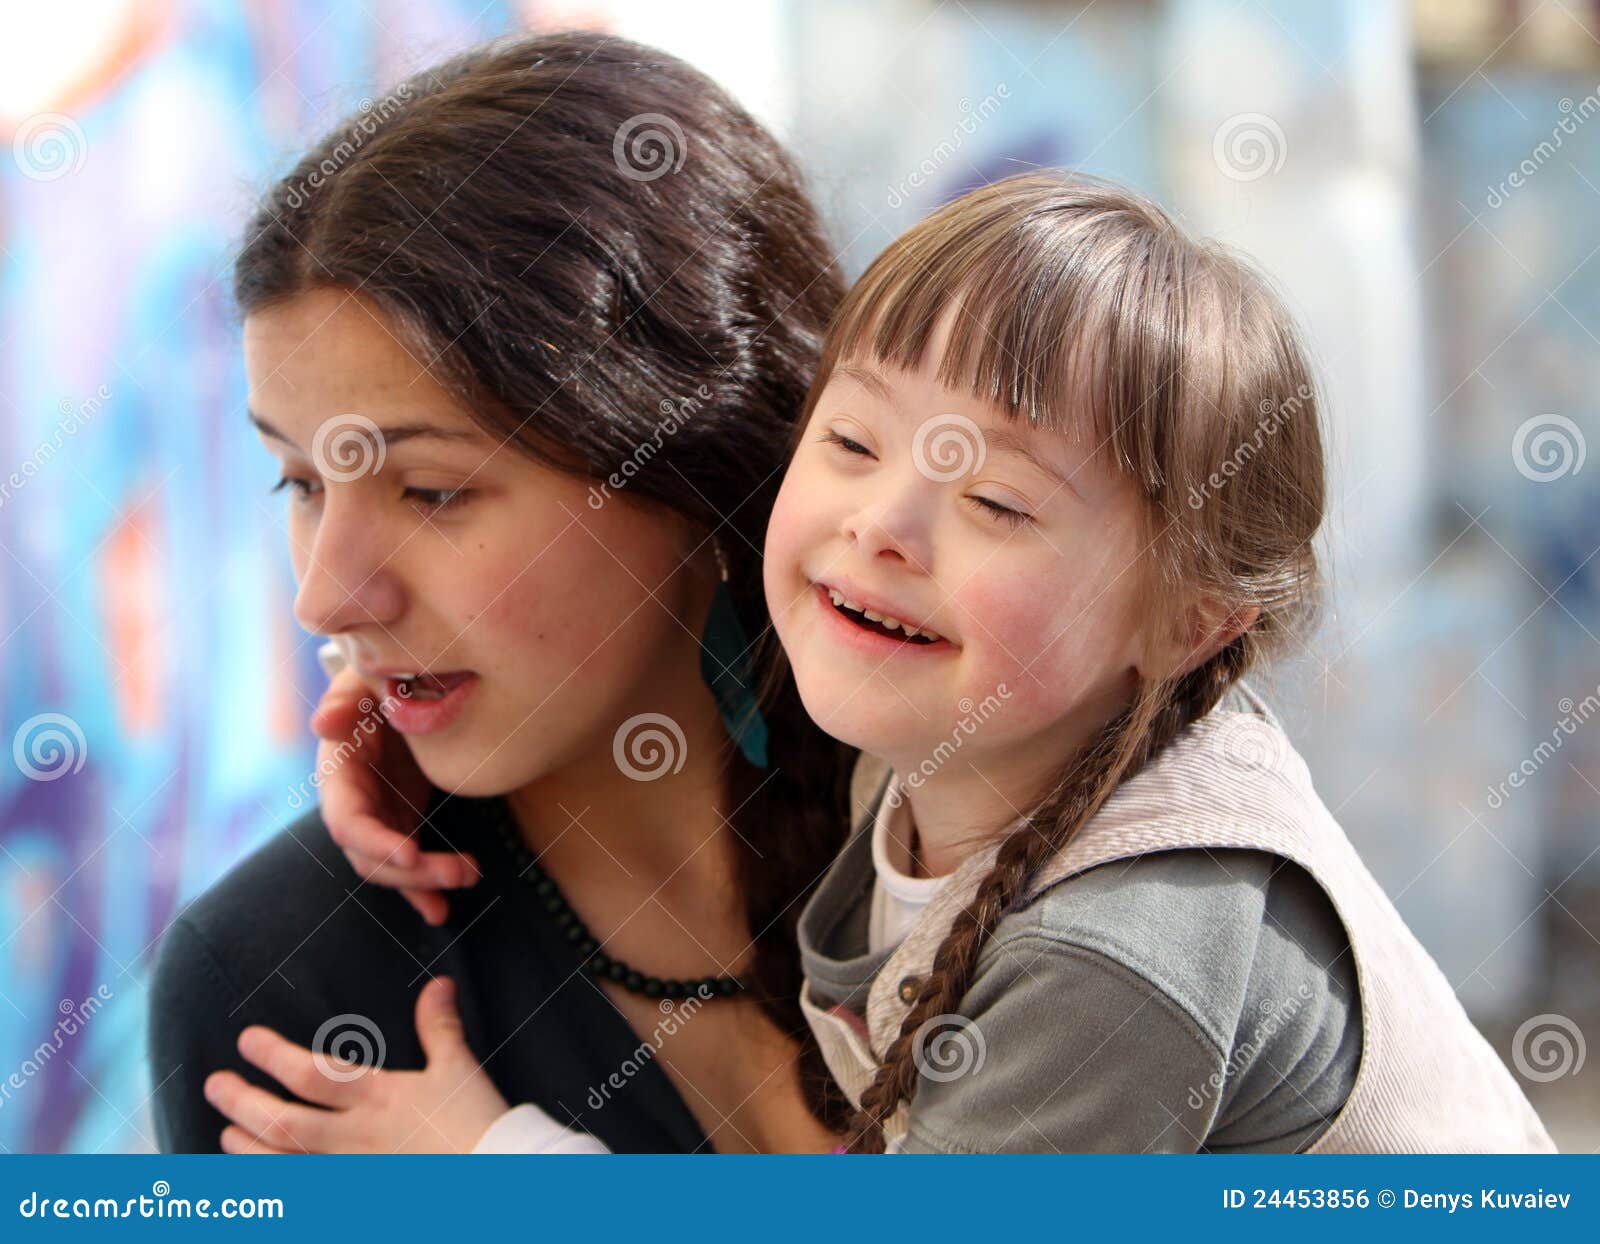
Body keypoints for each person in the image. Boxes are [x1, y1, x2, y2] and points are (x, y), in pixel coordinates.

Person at [211, 171, 1556, 1154]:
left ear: (1194, 620)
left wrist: (490, 1168)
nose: (881, 531)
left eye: (998, 506)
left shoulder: (1123, 955)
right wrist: (399, 710)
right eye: (852, 444)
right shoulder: (1011, 711)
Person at [148, 30, 858, 1154]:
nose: (325, 599)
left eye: (430, 490)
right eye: (297, 480)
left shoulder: (1013, 821)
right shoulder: (287, 995)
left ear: (693, 468)